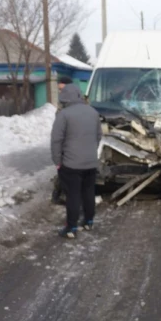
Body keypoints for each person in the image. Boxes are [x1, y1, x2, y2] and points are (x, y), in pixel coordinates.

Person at [51, 83, 102, 239]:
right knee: (88, 192)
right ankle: (89, 221)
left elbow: (56, 141)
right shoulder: (93, 112)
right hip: (91, 162)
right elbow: (98, 136)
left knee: (73, 195)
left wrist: (57, 161)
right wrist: (90, 152)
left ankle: (71, 227)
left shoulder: (64, 115)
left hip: (71, 164)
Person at [51, 76, 74, 205]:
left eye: (62, 89)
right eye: (59, 89)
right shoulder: (63, 103)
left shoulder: (77, 102)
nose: (60, 92)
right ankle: (60, 194)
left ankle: (60, 194)